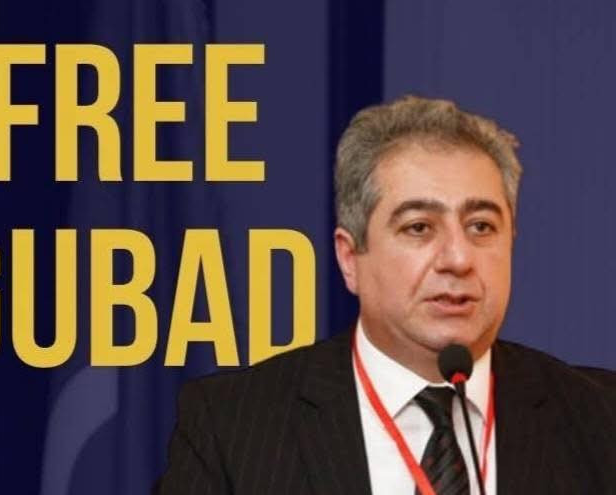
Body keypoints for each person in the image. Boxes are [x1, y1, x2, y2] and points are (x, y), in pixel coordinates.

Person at [154, 96, 616, 494]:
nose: (458, 258)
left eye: (481, 227)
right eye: (419, 228)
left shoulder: (600, 418)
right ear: (350, 257)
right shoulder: (232, 428)